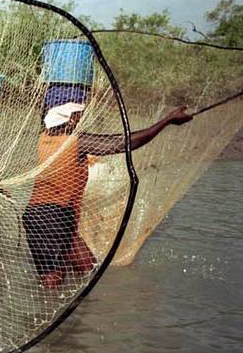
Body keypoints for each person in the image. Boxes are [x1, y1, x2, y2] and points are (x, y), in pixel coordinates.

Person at [22, 84, 192, 288]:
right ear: (69, 118)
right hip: (49, 217)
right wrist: (167, 121)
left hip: (55, 215)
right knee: (53, 282)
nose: (79, 119)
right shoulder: (75, 141)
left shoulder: (46, 137)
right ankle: (45, 316)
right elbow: (126, 143)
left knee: (88, 268)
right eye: (77, 115)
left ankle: (82, 313)